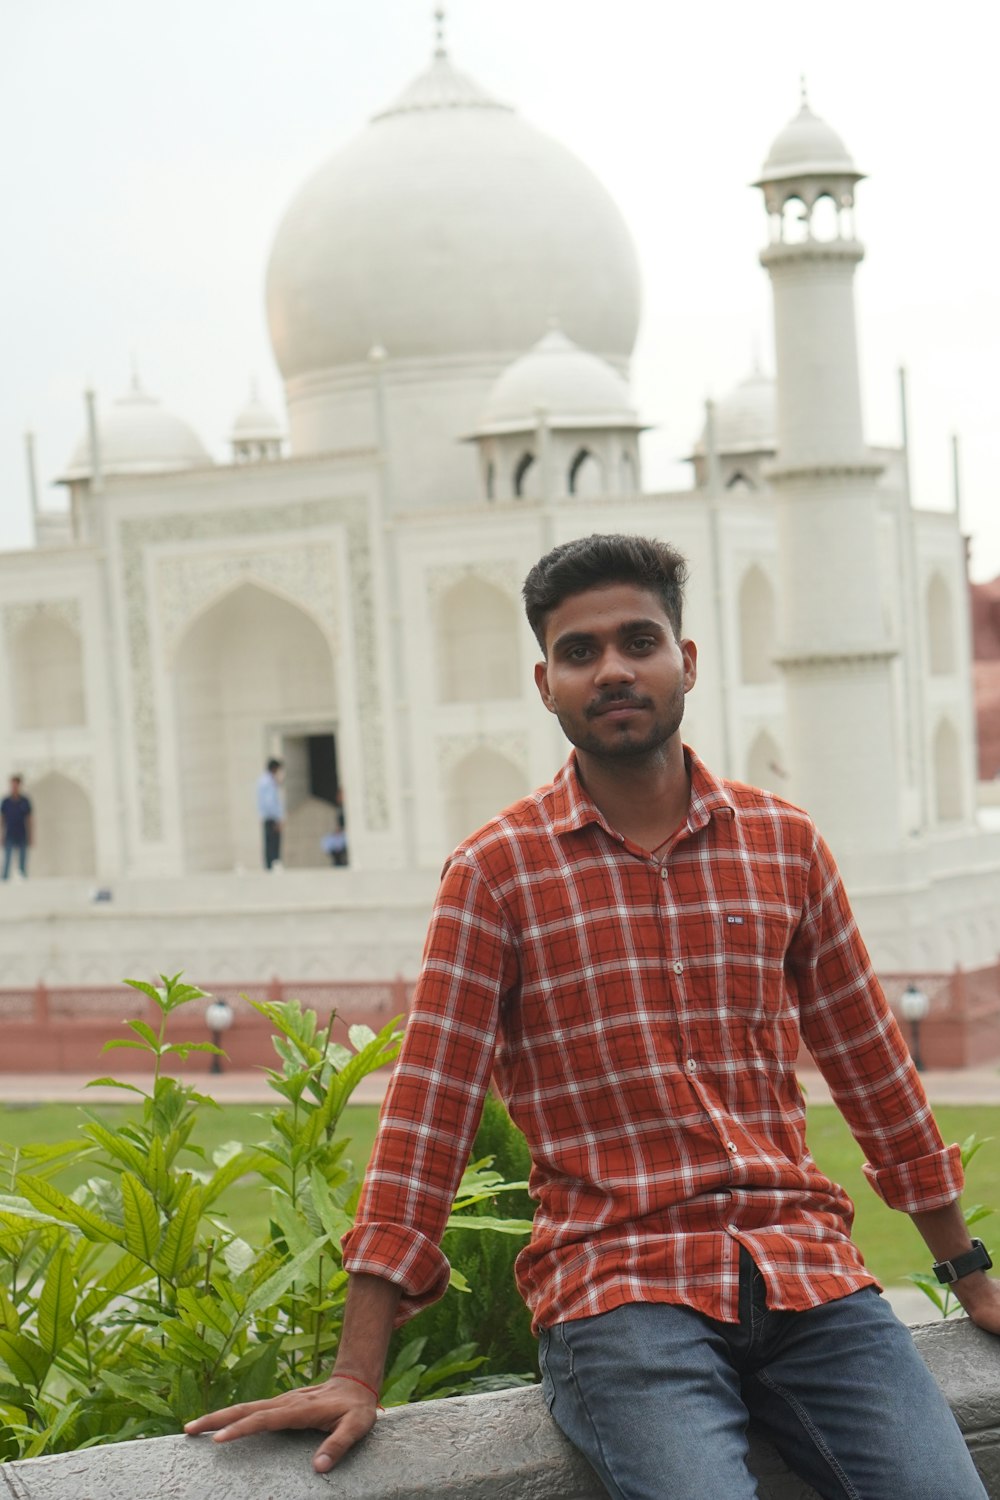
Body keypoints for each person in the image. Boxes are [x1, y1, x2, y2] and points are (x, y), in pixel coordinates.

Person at [188, 534, 999, 1497]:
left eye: (637, 641)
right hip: (620, 1292)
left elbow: (873, 1071)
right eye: (580, 652)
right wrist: (355, 1370)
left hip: (805, 1272)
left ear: (685, 660)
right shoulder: (499, 872)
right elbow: (427, 1116)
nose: (612, 670)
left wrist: (970, 1276)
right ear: (547, 683)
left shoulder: (783, 846)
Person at [1, 775, 33, 880]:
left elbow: (29, 819)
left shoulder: (25, 801)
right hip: (9, 833)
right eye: (12, 784)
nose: (14, 787)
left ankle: (22, 877)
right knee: (7, 857)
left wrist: (31, 835)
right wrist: (1, 834)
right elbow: (2, 819)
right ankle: (5, 878)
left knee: (22, 858)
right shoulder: (6, 801)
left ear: (19, 785)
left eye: (16, 784)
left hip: (22, 833)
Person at [256, 758, 284, 870]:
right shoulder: (268, 782)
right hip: (271, 817)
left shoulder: (262, 781)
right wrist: (277, 818)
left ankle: (269, 865)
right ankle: (273, 864)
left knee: (268, 842)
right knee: (273, 842)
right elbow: (270, 802)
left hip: (266, 816)